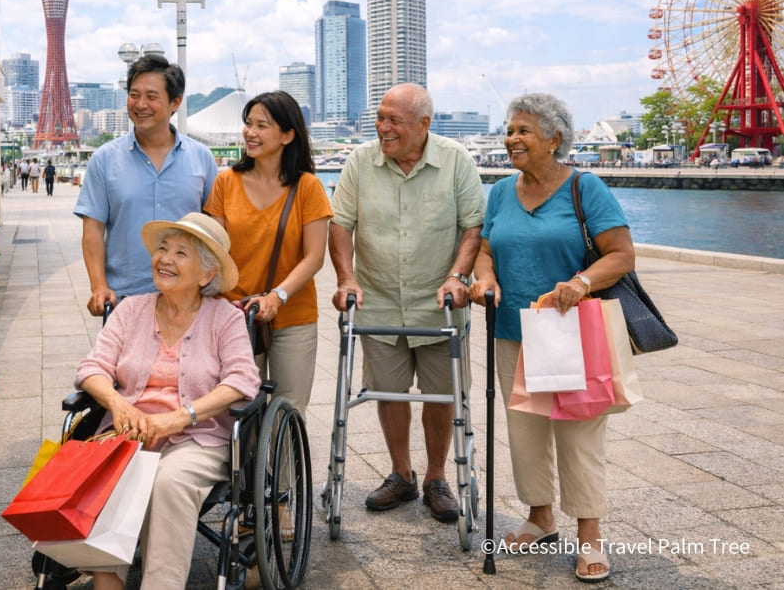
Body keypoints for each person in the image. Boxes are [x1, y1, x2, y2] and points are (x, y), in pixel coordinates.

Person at [468, 93, 634, 583]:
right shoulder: (500, 192)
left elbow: (621, 254)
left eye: (522, 130)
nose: (510, 138)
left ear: (553, 138)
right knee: (525, 431)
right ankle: (540, 517)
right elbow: (486, 249)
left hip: (572, 332)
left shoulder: (586, 188)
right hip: (512, 330)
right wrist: (484, 277)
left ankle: (590, 538)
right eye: (509, 129)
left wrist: (581, 282)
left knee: (578, 433)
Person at [75, 213, 260, 589]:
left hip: (198, 438)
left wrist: (179, 417)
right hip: (128, 434)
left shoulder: (225, 318)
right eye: (162, 249)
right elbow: (91, 368)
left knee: (169, 482)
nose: (165, 259)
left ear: (207, 275)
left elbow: (243, 380)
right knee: (113, 478)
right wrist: (118, 404)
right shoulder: (131, 310)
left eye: (181, 253)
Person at [328, 83, 485, 521]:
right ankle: (401, 474)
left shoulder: (455, 160)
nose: (383, 127)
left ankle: (437, 477)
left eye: (394, 120)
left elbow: (473, 227)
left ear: (424, 125)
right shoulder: (361, 161)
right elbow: (340, 224)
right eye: (380, 118)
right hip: (376, 299)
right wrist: (346, 277)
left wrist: (458, 276)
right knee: (389, 391)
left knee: (441, 393)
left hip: (439, 303)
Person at [205, 90, 331, 414]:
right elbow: (214, 250)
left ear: (288, 135)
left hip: (293, 315)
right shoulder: (225, 183)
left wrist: (277, 297)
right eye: (248, 124)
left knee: (289, 409)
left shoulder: (307, 187)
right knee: (237, 409)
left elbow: (314, 257)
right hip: (234, 314)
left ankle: (285, 467)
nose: (250, 132)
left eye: (262, 125)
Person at [75, 54, 218, 315]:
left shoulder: (202, 158)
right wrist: (98, 286)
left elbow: (215, 227)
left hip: (188, 300)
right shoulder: (104, 159)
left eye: (152, 97)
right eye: (134, 94)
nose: (140, 104)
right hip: (123, 300)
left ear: (175, 102)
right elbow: (93, 229)